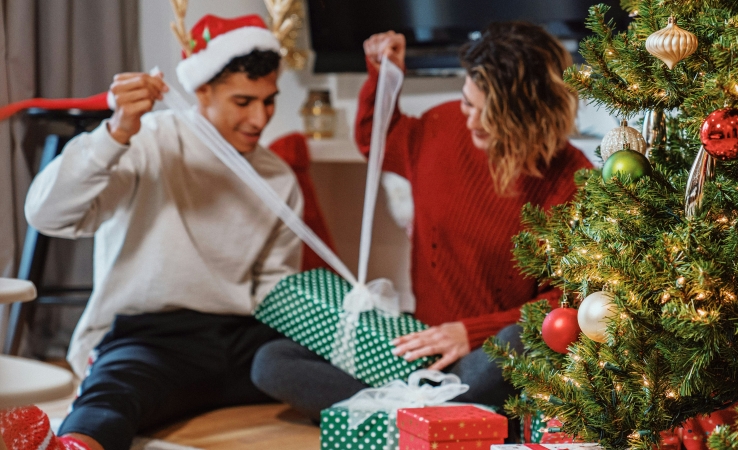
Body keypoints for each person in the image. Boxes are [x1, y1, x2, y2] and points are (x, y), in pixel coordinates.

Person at [251, 21, 594, 426]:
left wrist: (472, 332)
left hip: (483, 357)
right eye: (469, 103)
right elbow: (374, 139)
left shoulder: (570, 179)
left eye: (492, 114)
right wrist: (385, 73)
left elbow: (569, 302)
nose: (472, 122)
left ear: (532, 113)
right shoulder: (441, 126)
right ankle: (436, 415)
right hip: (419, 347)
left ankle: (395, 412)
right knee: (272, 361)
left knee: (518, 341)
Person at [17, 13, 301, 450]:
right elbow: (46, 215)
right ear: (201, 90)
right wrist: (115, 134)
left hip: (238, 336)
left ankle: (421, 406)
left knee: (326, 355)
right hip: (151, 334)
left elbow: (274, 286)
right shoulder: (147, 141)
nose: (260, 118)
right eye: (243, 102)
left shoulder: (278, 178)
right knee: (117, 390)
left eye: (270, 101)